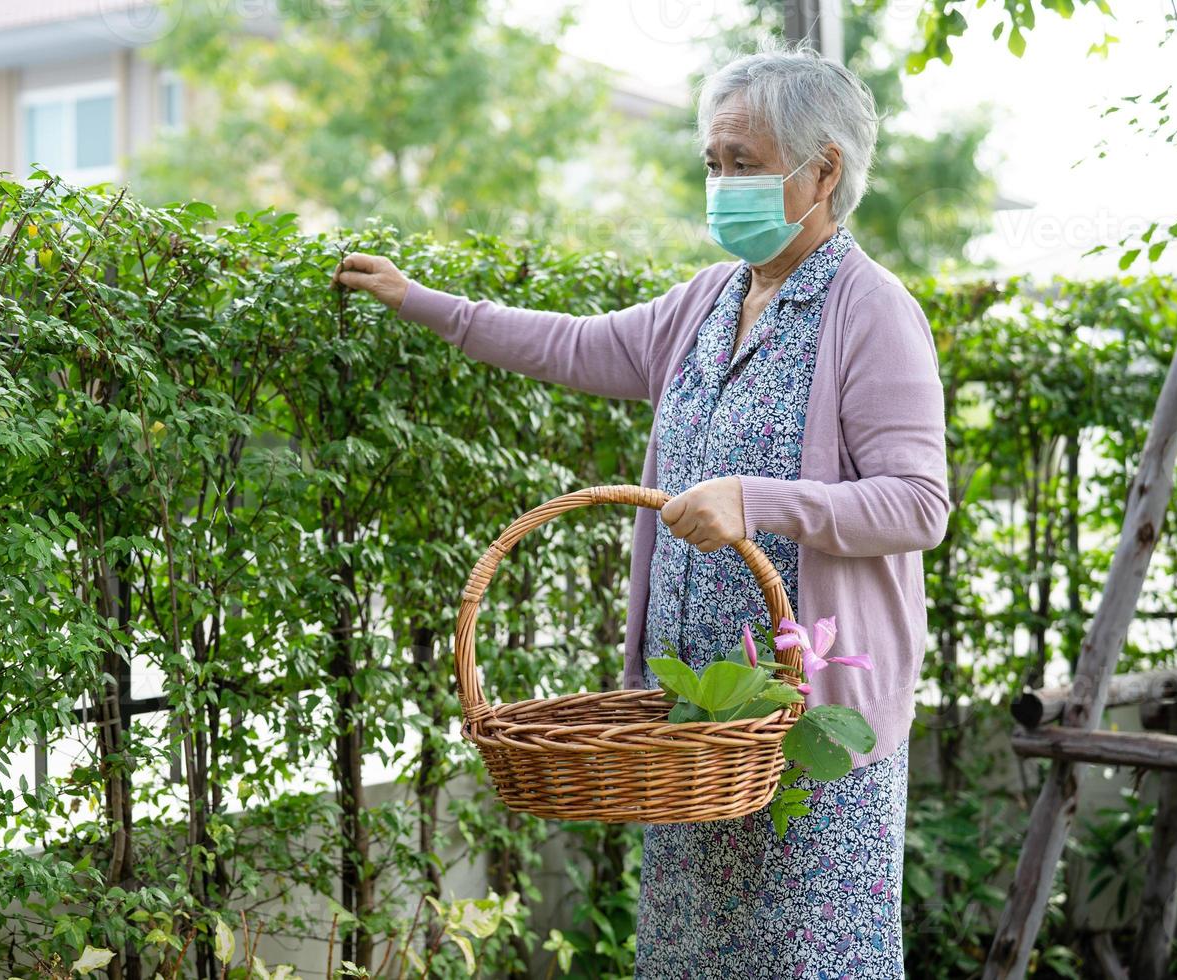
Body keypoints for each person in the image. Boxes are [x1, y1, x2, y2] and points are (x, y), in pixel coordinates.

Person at [334, 43, 948, 980]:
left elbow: (917, 505)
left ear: (823, 170)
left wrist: (758, 502)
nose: (722, 183)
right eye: (713, 163)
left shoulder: (871, 311)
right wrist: (423, 303)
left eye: (745, 163)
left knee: (806, 961)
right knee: (692, 957)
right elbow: (572, 346)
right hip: (691, 732)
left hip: (805, 736)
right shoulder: (710, 300)